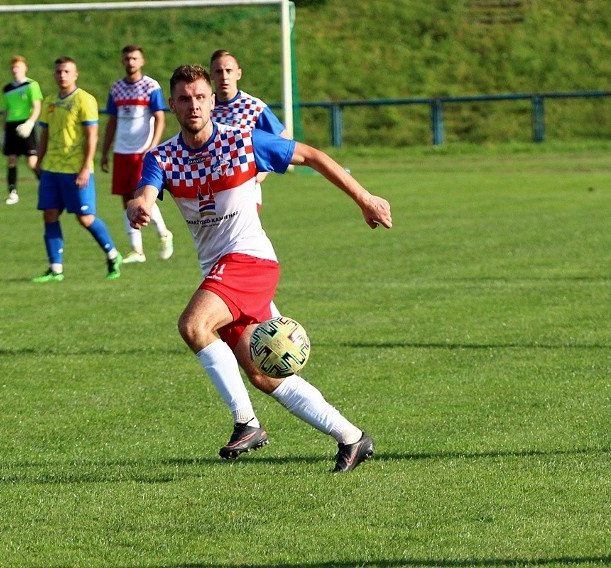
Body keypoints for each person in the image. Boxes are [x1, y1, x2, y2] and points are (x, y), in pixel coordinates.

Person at [127, 65, 393, 473]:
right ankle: (352, 437)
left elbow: (312, 156)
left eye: (201, 97)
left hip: (250, 261)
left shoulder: (242, 142)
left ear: (213, 101)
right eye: (185, 98)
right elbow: (144, 192)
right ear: (173, 105)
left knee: (194, 325)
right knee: (264, 373)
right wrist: (140, 206)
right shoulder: (163, 157)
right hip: (221, 271)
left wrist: (364, 198)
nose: (194, 105)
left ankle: (246, 423)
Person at [32, 56, 122, 282]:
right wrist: (39, 160)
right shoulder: (50, 101)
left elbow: (92, 136)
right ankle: (55, 269)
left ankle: (113, 254)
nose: (61, 75)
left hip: (76, 169)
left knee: (85, 217)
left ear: (75, 74)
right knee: (49, 214)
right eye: (58, 71)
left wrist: (85, 168)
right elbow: (44, 134)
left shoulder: (85, 100)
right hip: (52, 168)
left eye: (66, 71)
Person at [100, 45, 174, 264]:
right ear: (122, 62)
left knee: (142, 197)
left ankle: (163, 233)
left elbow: (160, 118)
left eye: (134, 58)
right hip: (121, 151)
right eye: (127, 58)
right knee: (126, 200)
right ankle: (137, 250)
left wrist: (152, 146)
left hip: (141, 152)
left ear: (142, 61)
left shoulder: (150, 86)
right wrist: (104, 152)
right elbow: (112, 122)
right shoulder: (116, 88)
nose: (130, 62)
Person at [209, 49, 291, 209]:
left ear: (238, 74)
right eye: (219, 71)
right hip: (212, 190)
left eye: (229, 71)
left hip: (246, 191)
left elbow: (285, 140)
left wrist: (262, 172)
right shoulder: (204, 106)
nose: (224, 76)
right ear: (211, 75)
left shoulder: (253, 106)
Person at [1, 55, 43, 206]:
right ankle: (12, 193)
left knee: (32, 162)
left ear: (25, 68)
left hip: (26, 125)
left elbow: (37, 106)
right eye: (13, 67)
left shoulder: (32, 85)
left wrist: (30, 122)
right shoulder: (7, 89)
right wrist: (3, 131)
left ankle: (47, 188)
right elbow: (6, 110)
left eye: (18, 67)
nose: (15, 70)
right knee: (11, 160)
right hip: (12, 126)